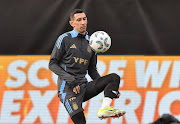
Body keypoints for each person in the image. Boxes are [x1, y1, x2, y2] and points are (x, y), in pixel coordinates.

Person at [49, 9, 126, 124]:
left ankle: (104, 109)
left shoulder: (92, 42)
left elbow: (92, 70)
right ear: (72, 23)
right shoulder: (65, 38)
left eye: (84, 19)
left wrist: (109, 88)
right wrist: (72, 81)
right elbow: (52, 64)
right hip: (68, 90)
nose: (83, 22)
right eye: (79, 20)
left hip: (83, 88)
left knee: (114, 78)